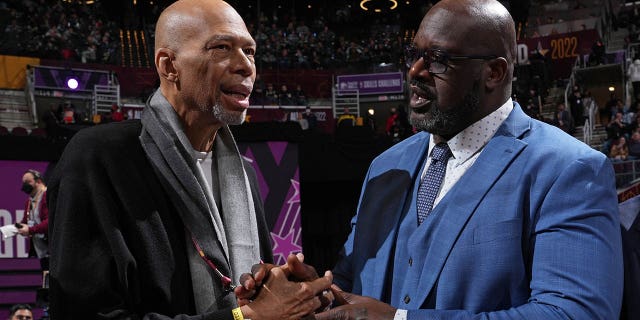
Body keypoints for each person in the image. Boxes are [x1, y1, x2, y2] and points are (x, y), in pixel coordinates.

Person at [318, 0, 623, 319]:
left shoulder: (568, 169)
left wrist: (400, 319)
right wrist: (314, 294)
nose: (415, 71)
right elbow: (349, 283)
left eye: (438, 59)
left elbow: (574, 313)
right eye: (414, 54)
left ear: (494, 72)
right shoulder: (385, 166)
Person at [47, 0, 332, 318]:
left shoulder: (243, 177)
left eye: (249, 51)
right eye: (222, 47)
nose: (246, 66)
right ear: (169, 66)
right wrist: (246, 317)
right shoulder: (99, 158)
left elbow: (255, 304)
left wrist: (292, 294)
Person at [17, 169, 49, 271]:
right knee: (46, 282)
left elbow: (50, 222)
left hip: (54, 250)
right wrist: (17, 227)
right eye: (23, 183)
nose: (25, 185)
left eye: (28, 182)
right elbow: (26, 221)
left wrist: (30, 230)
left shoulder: (47, 196)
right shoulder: (29, 201)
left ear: (38, 181)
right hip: (42, 250)